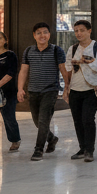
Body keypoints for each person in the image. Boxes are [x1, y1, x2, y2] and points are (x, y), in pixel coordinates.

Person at [16, 22, 68, 161]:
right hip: (33, 91)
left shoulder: (57, 51)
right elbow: (24, 71)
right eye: (38, 33)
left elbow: (63, 70)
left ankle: (38, 149)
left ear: (49, 34)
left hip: (50, 90)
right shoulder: (28, 51)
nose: (42, 35)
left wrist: (67, 88)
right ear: (34, 35)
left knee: (44, 120)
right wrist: (20, 89)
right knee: (37, 121)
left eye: (45, 32)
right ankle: (52, 139)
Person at [64, 20, 97, 163]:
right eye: (76, 31)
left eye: (82, 30)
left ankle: (90, 150)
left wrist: (85, 61)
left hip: (91, 89)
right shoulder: (73, 48)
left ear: (89, 31)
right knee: (77, 120)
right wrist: (66, 88)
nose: (79, 33)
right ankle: (82, 148)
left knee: (88, 119)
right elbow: (68, 69)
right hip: (75, 90)